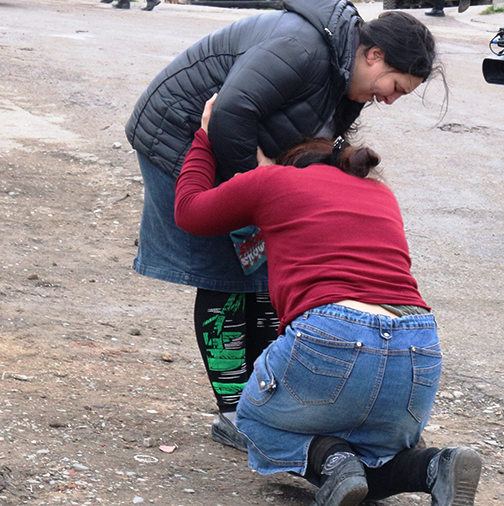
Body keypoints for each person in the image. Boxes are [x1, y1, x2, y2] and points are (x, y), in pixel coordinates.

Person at [125, 0, 439, 451]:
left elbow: (314, 140)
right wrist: (263, 186)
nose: (389, 100)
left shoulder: (346, 74)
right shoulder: (303, 47)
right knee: (224, 272)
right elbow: (230, 113)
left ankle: (265, 395)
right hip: (184, 133)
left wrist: (273, 187)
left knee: (265, 270)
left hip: (245, 149)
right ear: (374, 56)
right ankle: (236, 410)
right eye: (395, 87)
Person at [174, 94, 482, 506]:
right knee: (375, 445)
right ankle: (433, 465)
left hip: (332, 333)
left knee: (250, 420)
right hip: (417, 345)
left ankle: (333, 462)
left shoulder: (271, 182)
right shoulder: (378, 192)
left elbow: (189, 211)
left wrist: (205, 138)